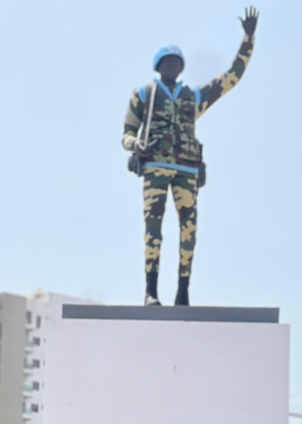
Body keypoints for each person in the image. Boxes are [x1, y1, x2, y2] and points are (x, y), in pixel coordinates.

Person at [122, 8, 259, 307]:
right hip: (156, 167)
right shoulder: (144, 95)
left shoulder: (192, 97)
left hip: (186, 170)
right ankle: (151, 291)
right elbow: (126, 132)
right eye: (166, 62)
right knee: (153, 230)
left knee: (189, 229)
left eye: (176, 62)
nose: (172, 65)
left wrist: (248, 39)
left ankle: (183, 290)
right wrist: (136, 145)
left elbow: (230, 78)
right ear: (158, 67)